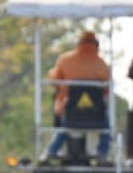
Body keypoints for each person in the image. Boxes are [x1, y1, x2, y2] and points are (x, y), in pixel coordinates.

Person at [45, 30, 112, 162]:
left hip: (70, 113)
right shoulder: (103, 66)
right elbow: (106, 91)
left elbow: (54, 82)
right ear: (96, 45)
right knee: (107, 129)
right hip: (96, 117)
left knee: (65, 125)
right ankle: (102, 153)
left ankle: (51, 151)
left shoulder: (65, 60)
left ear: (79, 44)